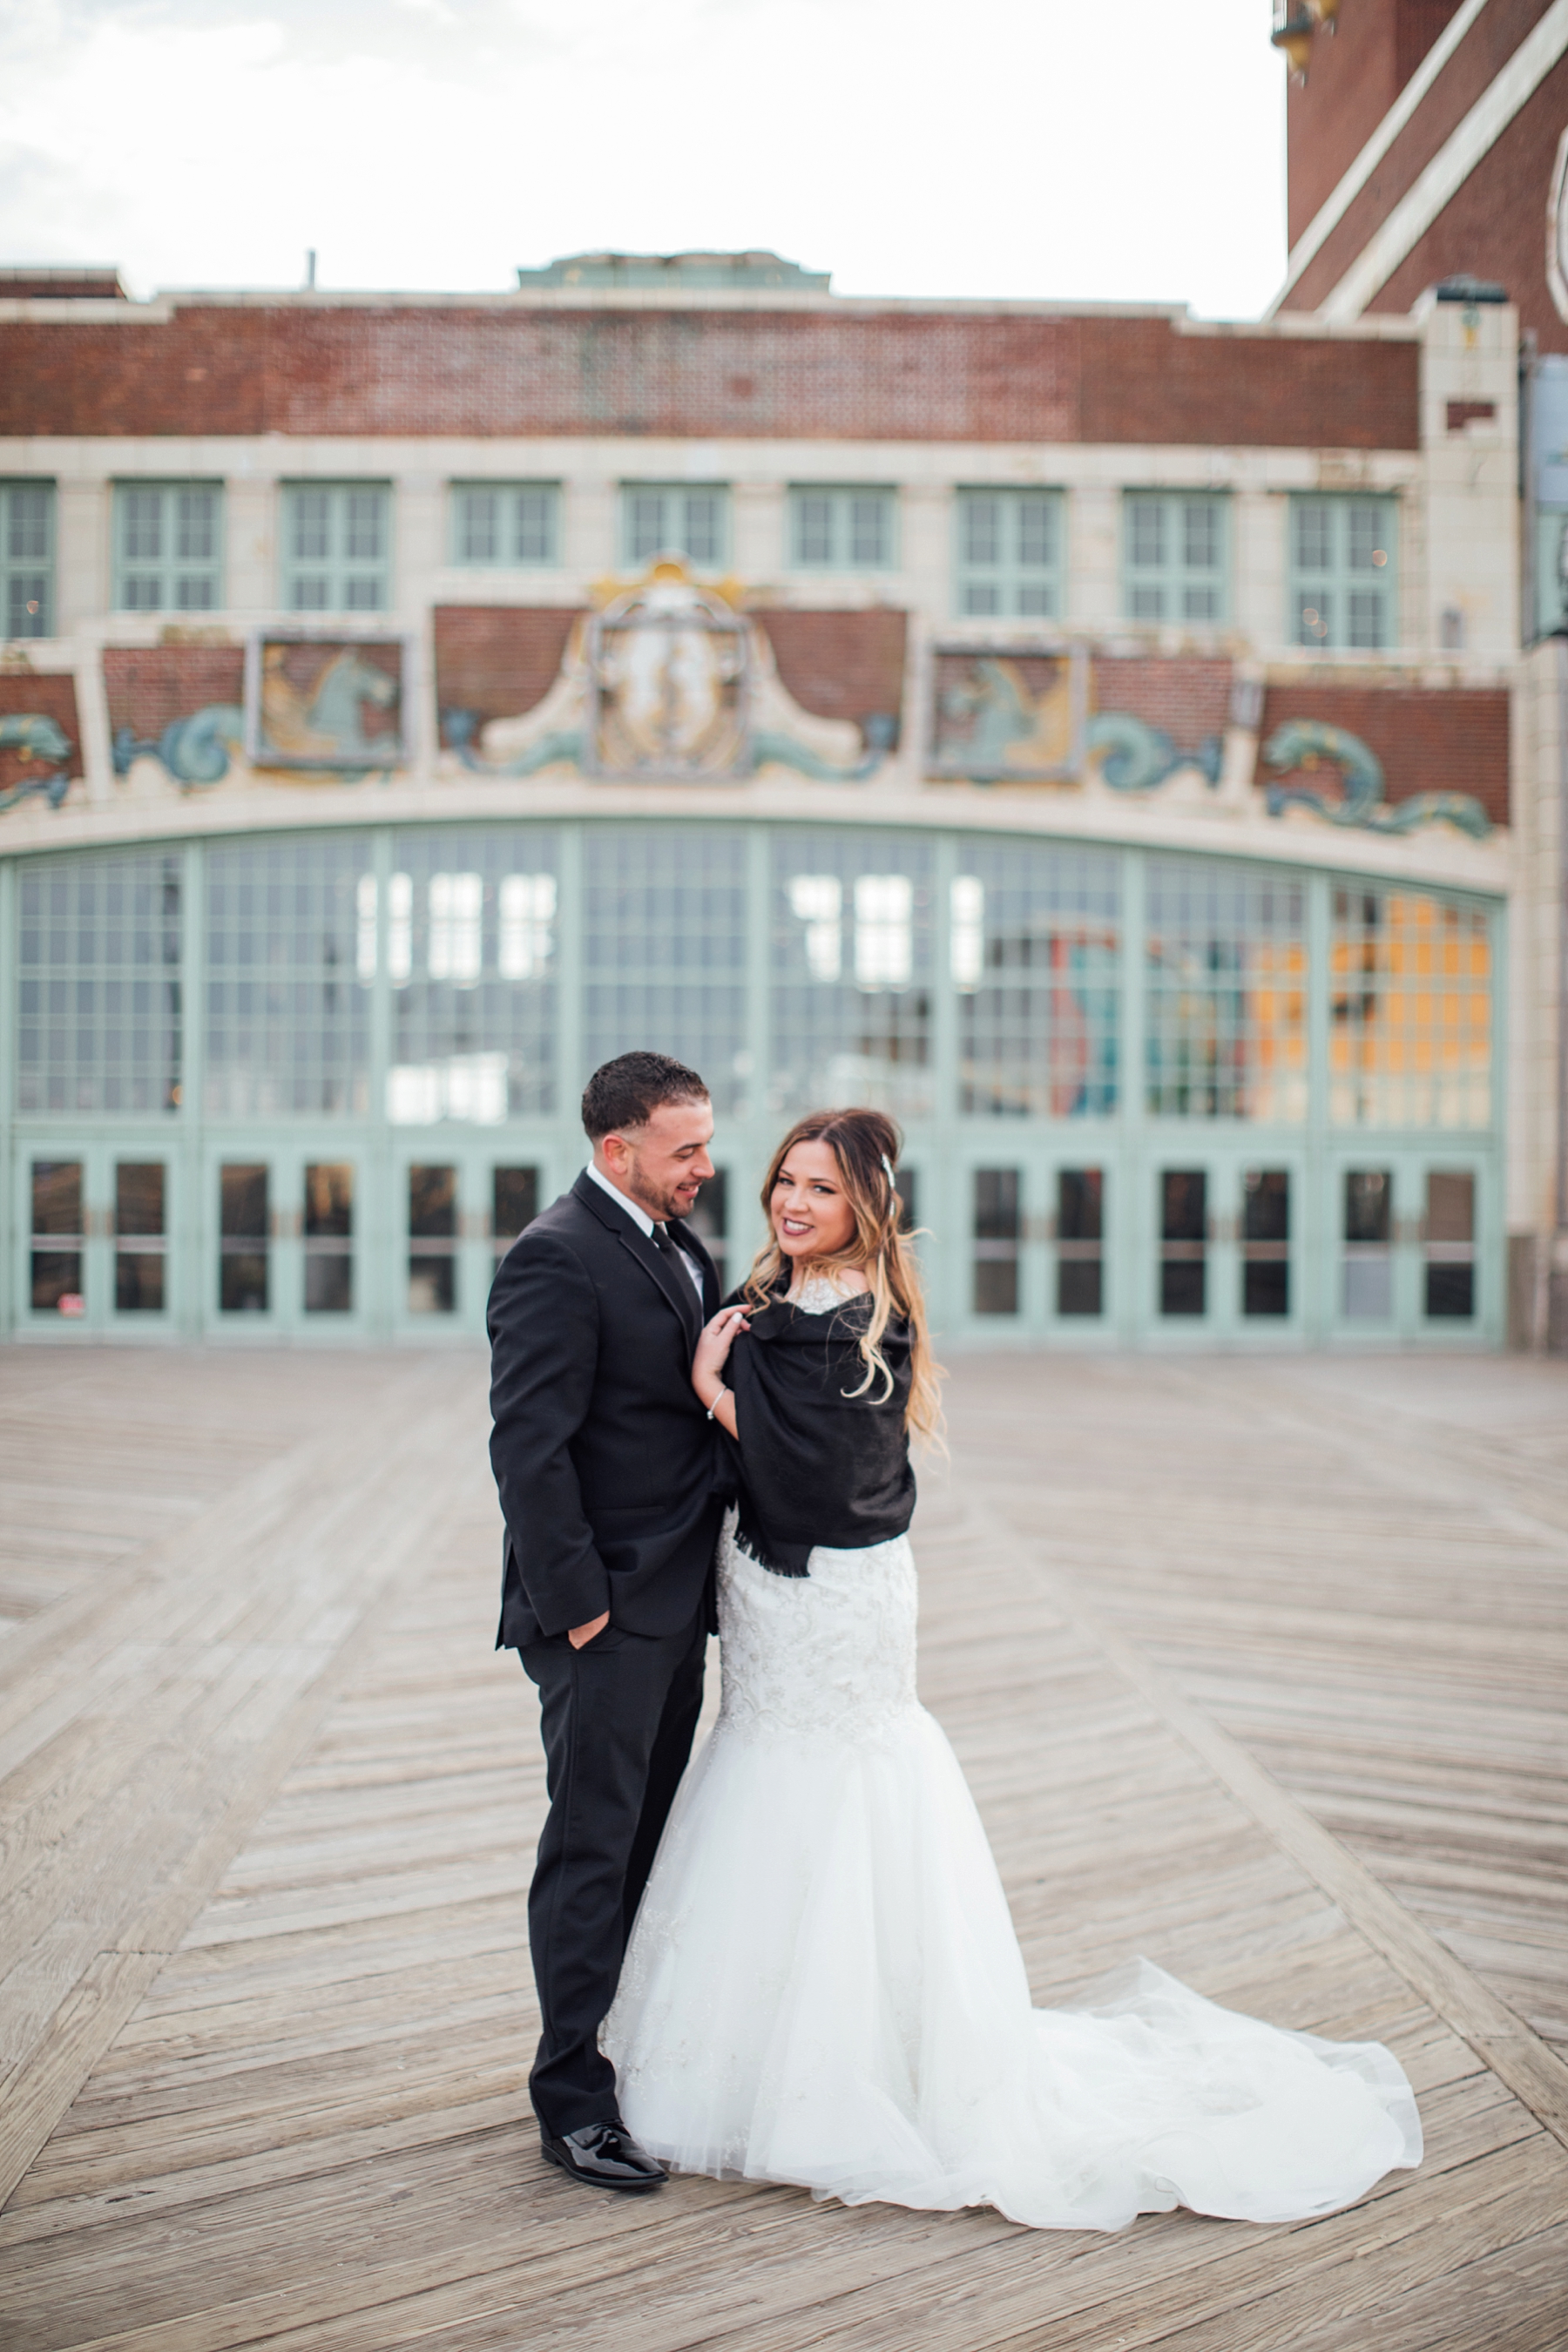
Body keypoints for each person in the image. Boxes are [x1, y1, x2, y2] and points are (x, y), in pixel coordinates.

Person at [603, 1105, 1423, 2232]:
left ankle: (867, 2062)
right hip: (771, 1602)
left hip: (836, 1604)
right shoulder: (780, 1299)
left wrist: (714, 1393)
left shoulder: (861, 1320)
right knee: (765, 1779)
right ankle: (751, 2055)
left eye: (823, 1189)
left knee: (839, 1789)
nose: (794, 1202)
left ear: (866, 1208)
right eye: (786, 1180)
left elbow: (821, 1478)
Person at [488, 1051, 727, 2195]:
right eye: (685, 1149)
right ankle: (570, 2100)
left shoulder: (680, 1246)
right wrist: (582, 1614)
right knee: (590, 1854)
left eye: (706, 1145)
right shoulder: (555, 1257)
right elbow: (527, 1451)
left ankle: (621, 2057)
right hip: (605, 1618)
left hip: (679, 1607)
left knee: (644, 1846)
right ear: (617, 1148)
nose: (705, 1167)